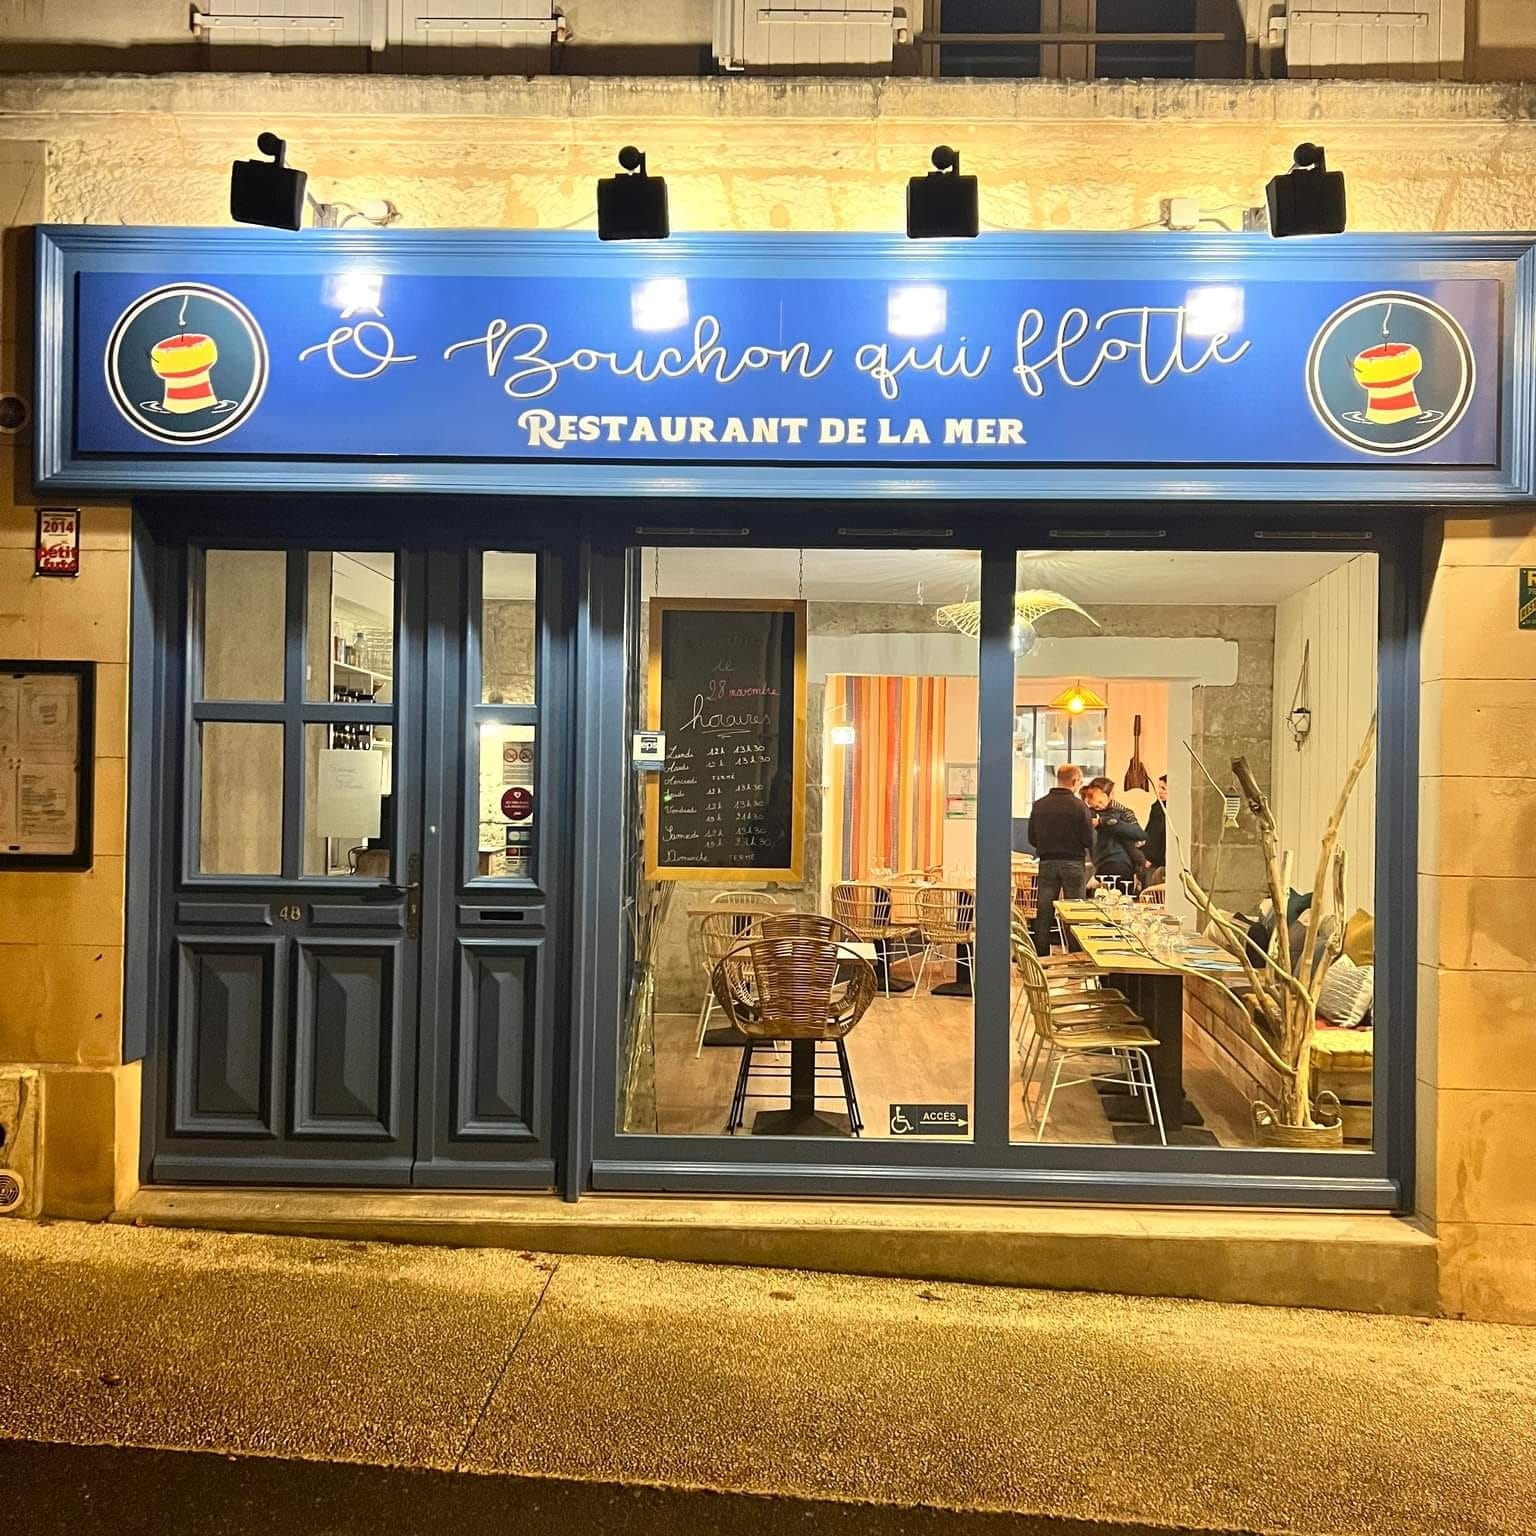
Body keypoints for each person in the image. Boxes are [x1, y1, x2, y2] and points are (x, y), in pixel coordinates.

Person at [1026, 763, 1095, 953]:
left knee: (1044, 911)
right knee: (1074, 911)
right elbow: (1088, 840)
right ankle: (1075, 954)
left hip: (1047, 862)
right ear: (1074, 781)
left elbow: (1031, 838)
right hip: (1073, 863)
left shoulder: (1039, 805)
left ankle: (1041, 956)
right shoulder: (1080, 807)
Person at [1081, 776, 1148, 889]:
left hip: (1118, 863)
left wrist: (1105, 823)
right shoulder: (1089, 814)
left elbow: (1140, 835)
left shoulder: (1121, 813)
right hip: (1102, 864)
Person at [1143, 774, 1168, 885]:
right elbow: (1151, 832)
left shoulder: (1172, 810)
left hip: (1162, 859)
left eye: (1163, 788)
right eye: (1159, 787)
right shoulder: (1156, 807)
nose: (1159, 791)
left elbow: (1159, 834)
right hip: (1153, 860)